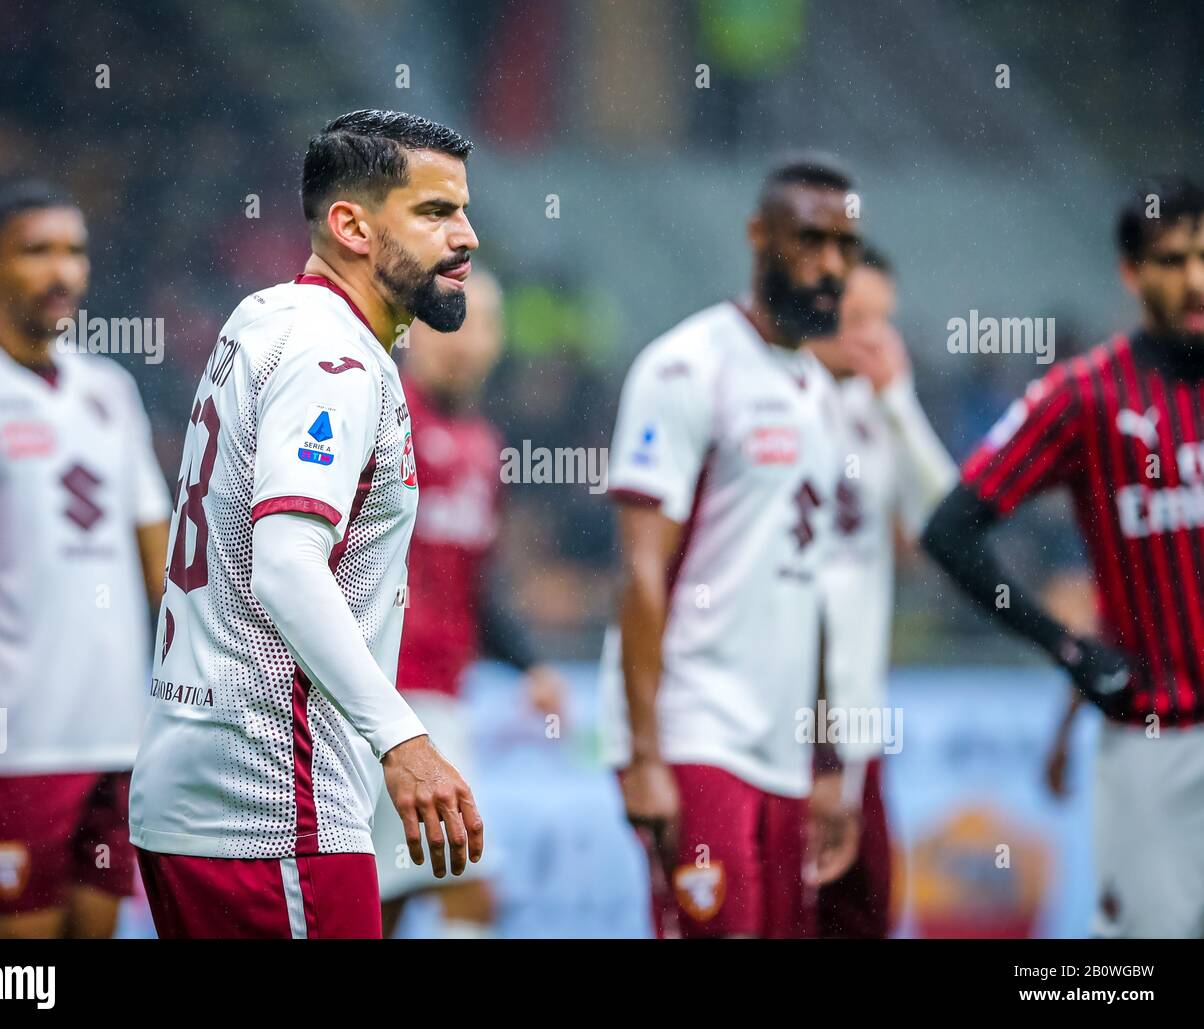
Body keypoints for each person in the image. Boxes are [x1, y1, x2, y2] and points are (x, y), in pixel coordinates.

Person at [129, 110, 484, 939]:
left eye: (463, 210)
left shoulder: (266, 318)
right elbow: (286, 564)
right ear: (351, 226)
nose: (466, 237)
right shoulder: (334, 361)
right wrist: (405, 740)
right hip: (271, 807)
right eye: (434, 213)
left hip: (203, 789)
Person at [922, 175, 1204, 939]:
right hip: (1159, 742)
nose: (1196, 280)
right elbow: (949, 531)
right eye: (1174, 260)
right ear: (1130, 271)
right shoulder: (1084, 395)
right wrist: (1068, 650)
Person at [600, 156, 863, 938]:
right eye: (810, 240)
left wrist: (824, 761)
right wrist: (646, 754)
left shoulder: (817, 391)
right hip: (695, 732)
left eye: (845, 246)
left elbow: (810, 589)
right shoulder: (686, 367)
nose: (830, 265)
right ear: (759, 235)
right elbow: (642, 568)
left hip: (782, 748)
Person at [0, 182, 170, 938]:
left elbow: (161, 564)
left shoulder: (110, 391)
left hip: (118, 733)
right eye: (37, 251)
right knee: (14, 975)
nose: (62, 271)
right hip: (6, 740)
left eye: (74, 252)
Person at [374, 268, 564, 938]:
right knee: (464, 888)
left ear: (497, 339)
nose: (460, 339)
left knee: (388, 897)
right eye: (443, 320)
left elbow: (475, 587)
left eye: (476, 322)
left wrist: (530, 665)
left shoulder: (485, 449)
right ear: (410, 331)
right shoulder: (379, 413)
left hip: (443, 698)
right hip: (383, 698)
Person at [805, 247, 957, 937]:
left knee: (865, 913)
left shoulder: (877, 407)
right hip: (777, 713)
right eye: (854, 314)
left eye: (883, 320)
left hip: (859, 717)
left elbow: (953, 524)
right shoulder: (768, 398)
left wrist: (899, 400)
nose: (870, 335)